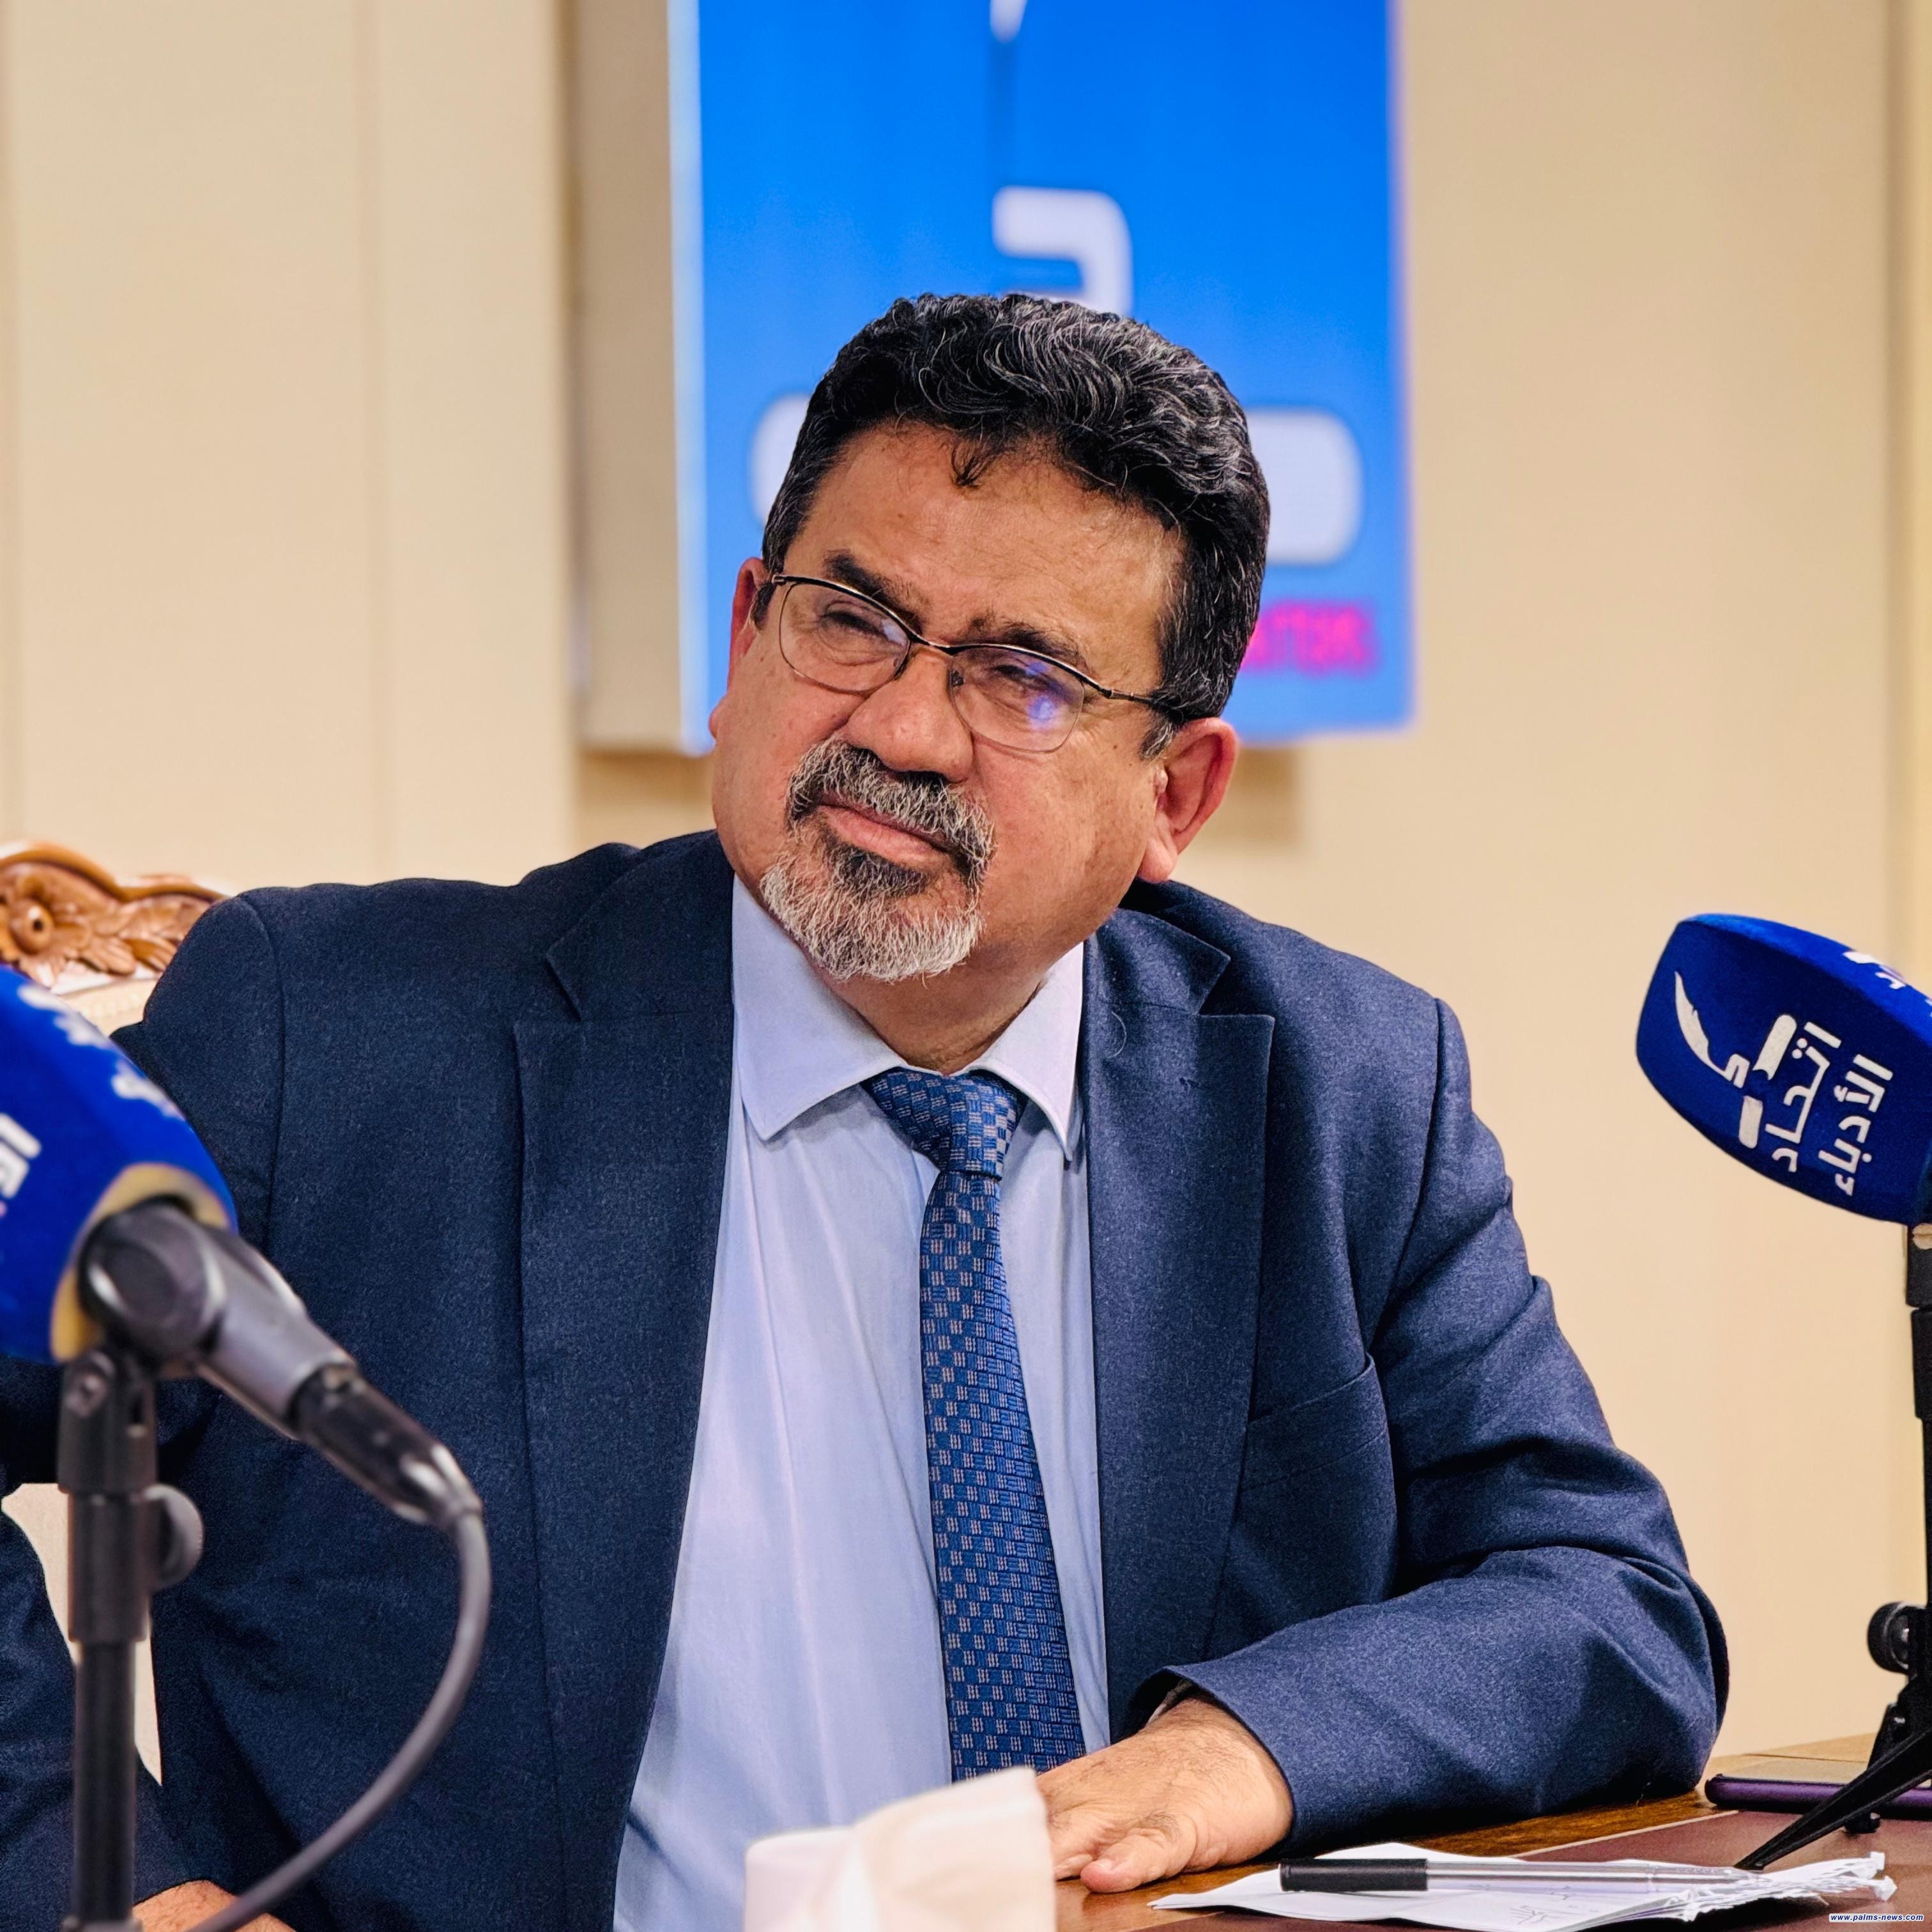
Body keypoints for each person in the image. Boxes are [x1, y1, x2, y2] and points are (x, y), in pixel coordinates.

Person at [0, 294, 1723, 1932]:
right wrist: (130, 1894)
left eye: (1023, 676)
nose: (902, 727)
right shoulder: (337, 1041)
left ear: (1177, 794)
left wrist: (1237, 1753)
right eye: (851, 621)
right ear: (745, 636)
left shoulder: (1338, 1088)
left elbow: (1606, 1598)